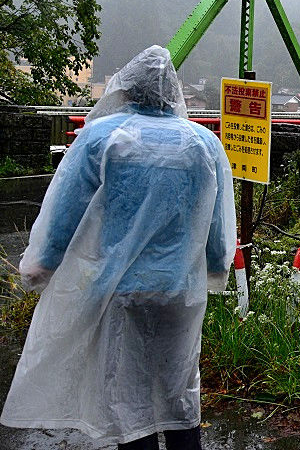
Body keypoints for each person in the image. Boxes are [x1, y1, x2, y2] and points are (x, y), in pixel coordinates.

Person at [0, 46, 236, 450]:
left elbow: (65, 212)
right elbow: (215, 222)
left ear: (126, 89)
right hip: (180, 291)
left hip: (119, 291)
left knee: (128, 404)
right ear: (173, 91)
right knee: (179, 389)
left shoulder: (103, 136)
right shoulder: (203, 144)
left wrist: (40, 265)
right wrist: (215, 267)